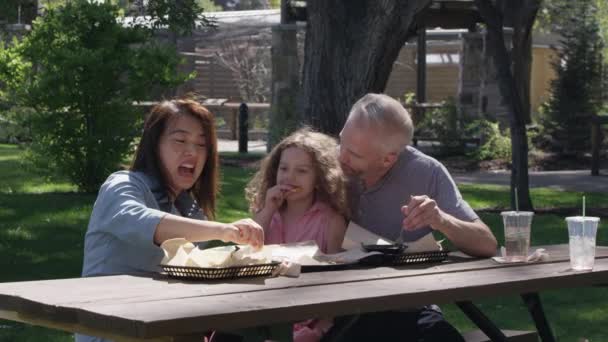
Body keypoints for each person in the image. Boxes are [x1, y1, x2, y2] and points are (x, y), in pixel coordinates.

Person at [76, 99, 264, 342]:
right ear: (154, 146)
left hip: (164, 326)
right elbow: (145, 222)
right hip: (112, 332)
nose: (192, 152)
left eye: (201, 144)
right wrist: (223, 230)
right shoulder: (122, 185)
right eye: (180, 140)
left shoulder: (188, 208)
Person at [329, 93, 498, 342]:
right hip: (338, 309)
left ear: (388, 158)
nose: (341, 156)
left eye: (354, 154)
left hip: (410, 307)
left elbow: (487, 243)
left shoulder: (425, 172)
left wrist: (441, 219)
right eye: (341, 142)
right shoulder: (326, 165)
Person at [245, 128, 349, 342]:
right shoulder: (265, 213)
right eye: (284, 168)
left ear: (319, 178)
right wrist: (267, 211)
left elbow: (338, 281)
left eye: (301, 171)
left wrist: (320, 329)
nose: (289, 177)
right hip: (261, 313)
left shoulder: (331, 221)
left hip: (308, 321)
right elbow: (244, 254)